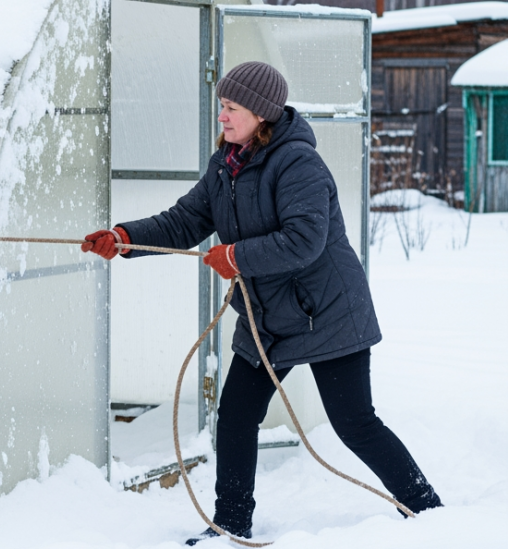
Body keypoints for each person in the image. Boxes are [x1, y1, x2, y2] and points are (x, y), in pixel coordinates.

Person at [80, 62, 442, 544]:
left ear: (261, 113)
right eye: (222, 107)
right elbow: (184, 220)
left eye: (231, 109)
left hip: (328, 312)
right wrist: (125, 238)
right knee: (235, 417)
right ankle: (231, 523)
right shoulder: (225, 165)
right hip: (266, 317)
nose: (222, 118)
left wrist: (235, 255)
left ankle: (428, 511)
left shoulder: (298, 164)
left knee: (355, 424)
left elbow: (305, 240)